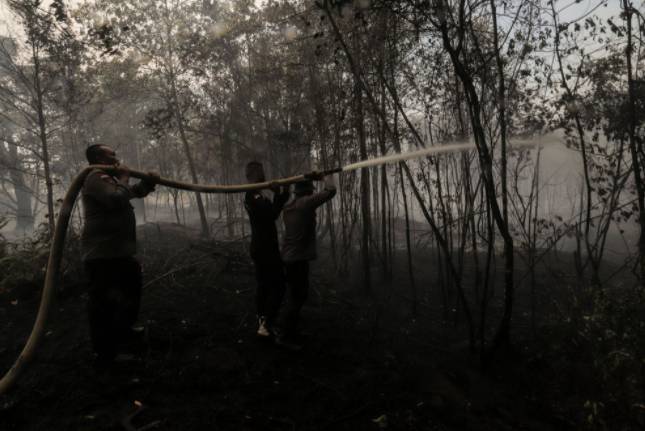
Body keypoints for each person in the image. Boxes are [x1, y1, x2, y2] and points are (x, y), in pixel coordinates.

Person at [81, 144, 157, 365]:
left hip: (118, 253)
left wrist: (148, 182)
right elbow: (116, 198)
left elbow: (130, 194)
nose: (116, 157)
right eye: (111, 154)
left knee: (131, 288)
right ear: (98, 158)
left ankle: (124, 332)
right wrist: (124, 177)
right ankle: (106, 354)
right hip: (101, 254)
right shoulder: (94, 177)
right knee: (103, 304)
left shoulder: (110, 179)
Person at [279, 172, 336, 347]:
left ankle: (291, 331)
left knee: (297, 296)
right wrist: (326, 176)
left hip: (290, 258)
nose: (312, 194)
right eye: (310, 191)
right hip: (296, 259)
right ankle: (285, 336)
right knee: (298, 297)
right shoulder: (305, 203)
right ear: (307, 192)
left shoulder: (289, 207)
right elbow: (331, 191)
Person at [244, 161, 290, 337]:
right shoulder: (251, 196)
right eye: (258, 172)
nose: (262, 174)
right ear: (250, 176)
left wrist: (283, 192)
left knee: (264, 285)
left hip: (263, 247)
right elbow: (271, 214)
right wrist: (278, 193)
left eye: (261, 171)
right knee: (278, 285)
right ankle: (266, 322)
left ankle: (263, 321)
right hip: (264, 249)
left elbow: (274, 211)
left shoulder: (258, 195)